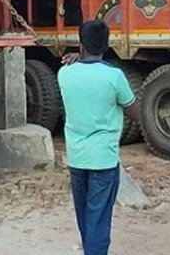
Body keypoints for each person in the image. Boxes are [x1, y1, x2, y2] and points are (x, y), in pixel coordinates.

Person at [57, 20, 140, 255]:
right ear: (107, 45)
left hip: (76, 158)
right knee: (99, 221)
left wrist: (76, 57)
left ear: (81, 46)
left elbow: (80, 69)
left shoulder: (64, 74)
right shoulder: (115, 77)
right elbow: (135, 112)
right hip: (104, 159)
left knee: (85, 220)